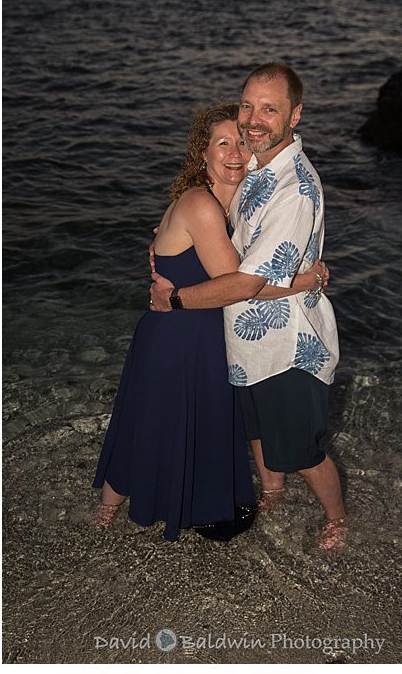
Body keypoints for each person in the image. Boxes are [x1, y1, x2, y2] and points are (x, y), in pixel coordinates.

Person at [90, 102, 321, 541]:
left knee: (181, 424)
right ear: (203, 153)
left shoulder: (240, 200)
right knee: (151, 423)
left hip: (202, 335)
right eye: (221, 144)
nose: (234, 152)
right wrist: (310, 278)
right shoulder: (202, 204)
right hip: (176, 338)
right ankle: (106, 512)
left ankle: (158, 501)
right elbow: (241, 284)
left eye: (240, 142)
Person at [151, 62, 345, 552]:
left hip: (288, 345)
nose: (253, 120)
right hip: (245, 339)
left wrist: (175, 298)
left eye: (269, 109)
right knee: (256, 430)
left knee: (301, 449)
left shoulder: (293, 190)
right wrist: (166, 237)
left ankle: (337, 518)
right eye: (247, 106)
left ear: (295, 115)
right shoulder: (258, 164)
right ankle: (273, 492)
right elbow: (210, 211)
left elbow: (247, 283)